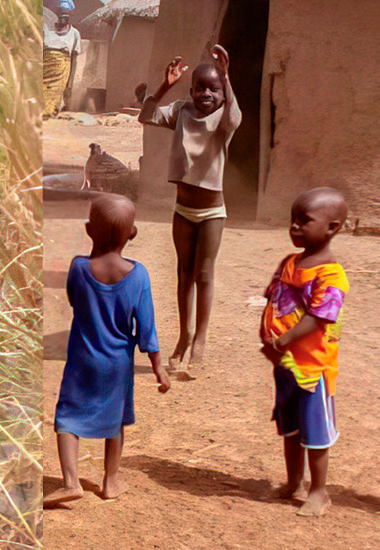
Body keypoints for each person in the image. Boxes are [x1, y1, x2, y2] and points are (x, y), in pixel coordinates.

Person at [42, 195, 170, 505]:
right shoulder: (138, 275)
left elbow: (75, 300)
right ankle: (111, 480)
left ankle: (71, 482)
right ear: (132, 233)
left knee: (67, 418)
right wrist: (158, 367)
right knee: (116, 419)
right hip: (118, 362)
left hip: (82, 359)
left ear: (89, 230)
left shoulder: (79, 268)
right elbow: (147, 327)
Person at [141, 45, 240, 376]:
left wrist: (226, 76)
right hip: (183, 209)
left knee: (204, 273)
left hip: (213, 212)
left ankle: (201, 338)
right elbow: (146, 115)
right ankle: (184, 336)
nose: (206, 94)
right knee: (184, 273)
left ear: (222, 92)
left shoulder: (222, 119)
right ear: (191, 89)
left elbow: (235, 119)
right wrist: (164, 86)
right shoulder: (181, 111)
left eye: (213, 88)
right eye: (200, 87)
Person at [258, 187, 349, 517]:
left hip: (313, 367)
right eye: (292, 220)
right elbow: (273, 298)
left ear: (332, 227)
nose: (294, 227)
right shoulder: (289, 263)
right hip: (284, 364)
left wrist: (283, 340)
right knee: (290, 426)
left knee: (315, 432)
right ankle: (293, 481)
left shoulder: (331, 275)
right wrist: (266, 335)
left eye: (304, 221)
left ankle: (319, 490)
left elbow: (318, 318)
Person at [41, 9, 81, 117]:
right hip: (46, 64)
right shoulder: (46, 31)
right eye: (60, 16)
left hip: (62, 65)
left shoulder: (74, 33)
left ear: (69, 18)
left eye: (65, 17)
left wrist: (71, 79)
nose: (62, 19)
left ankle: (50, 111)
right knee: (44, 86)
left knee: (57, 88)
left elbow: (74, 56)